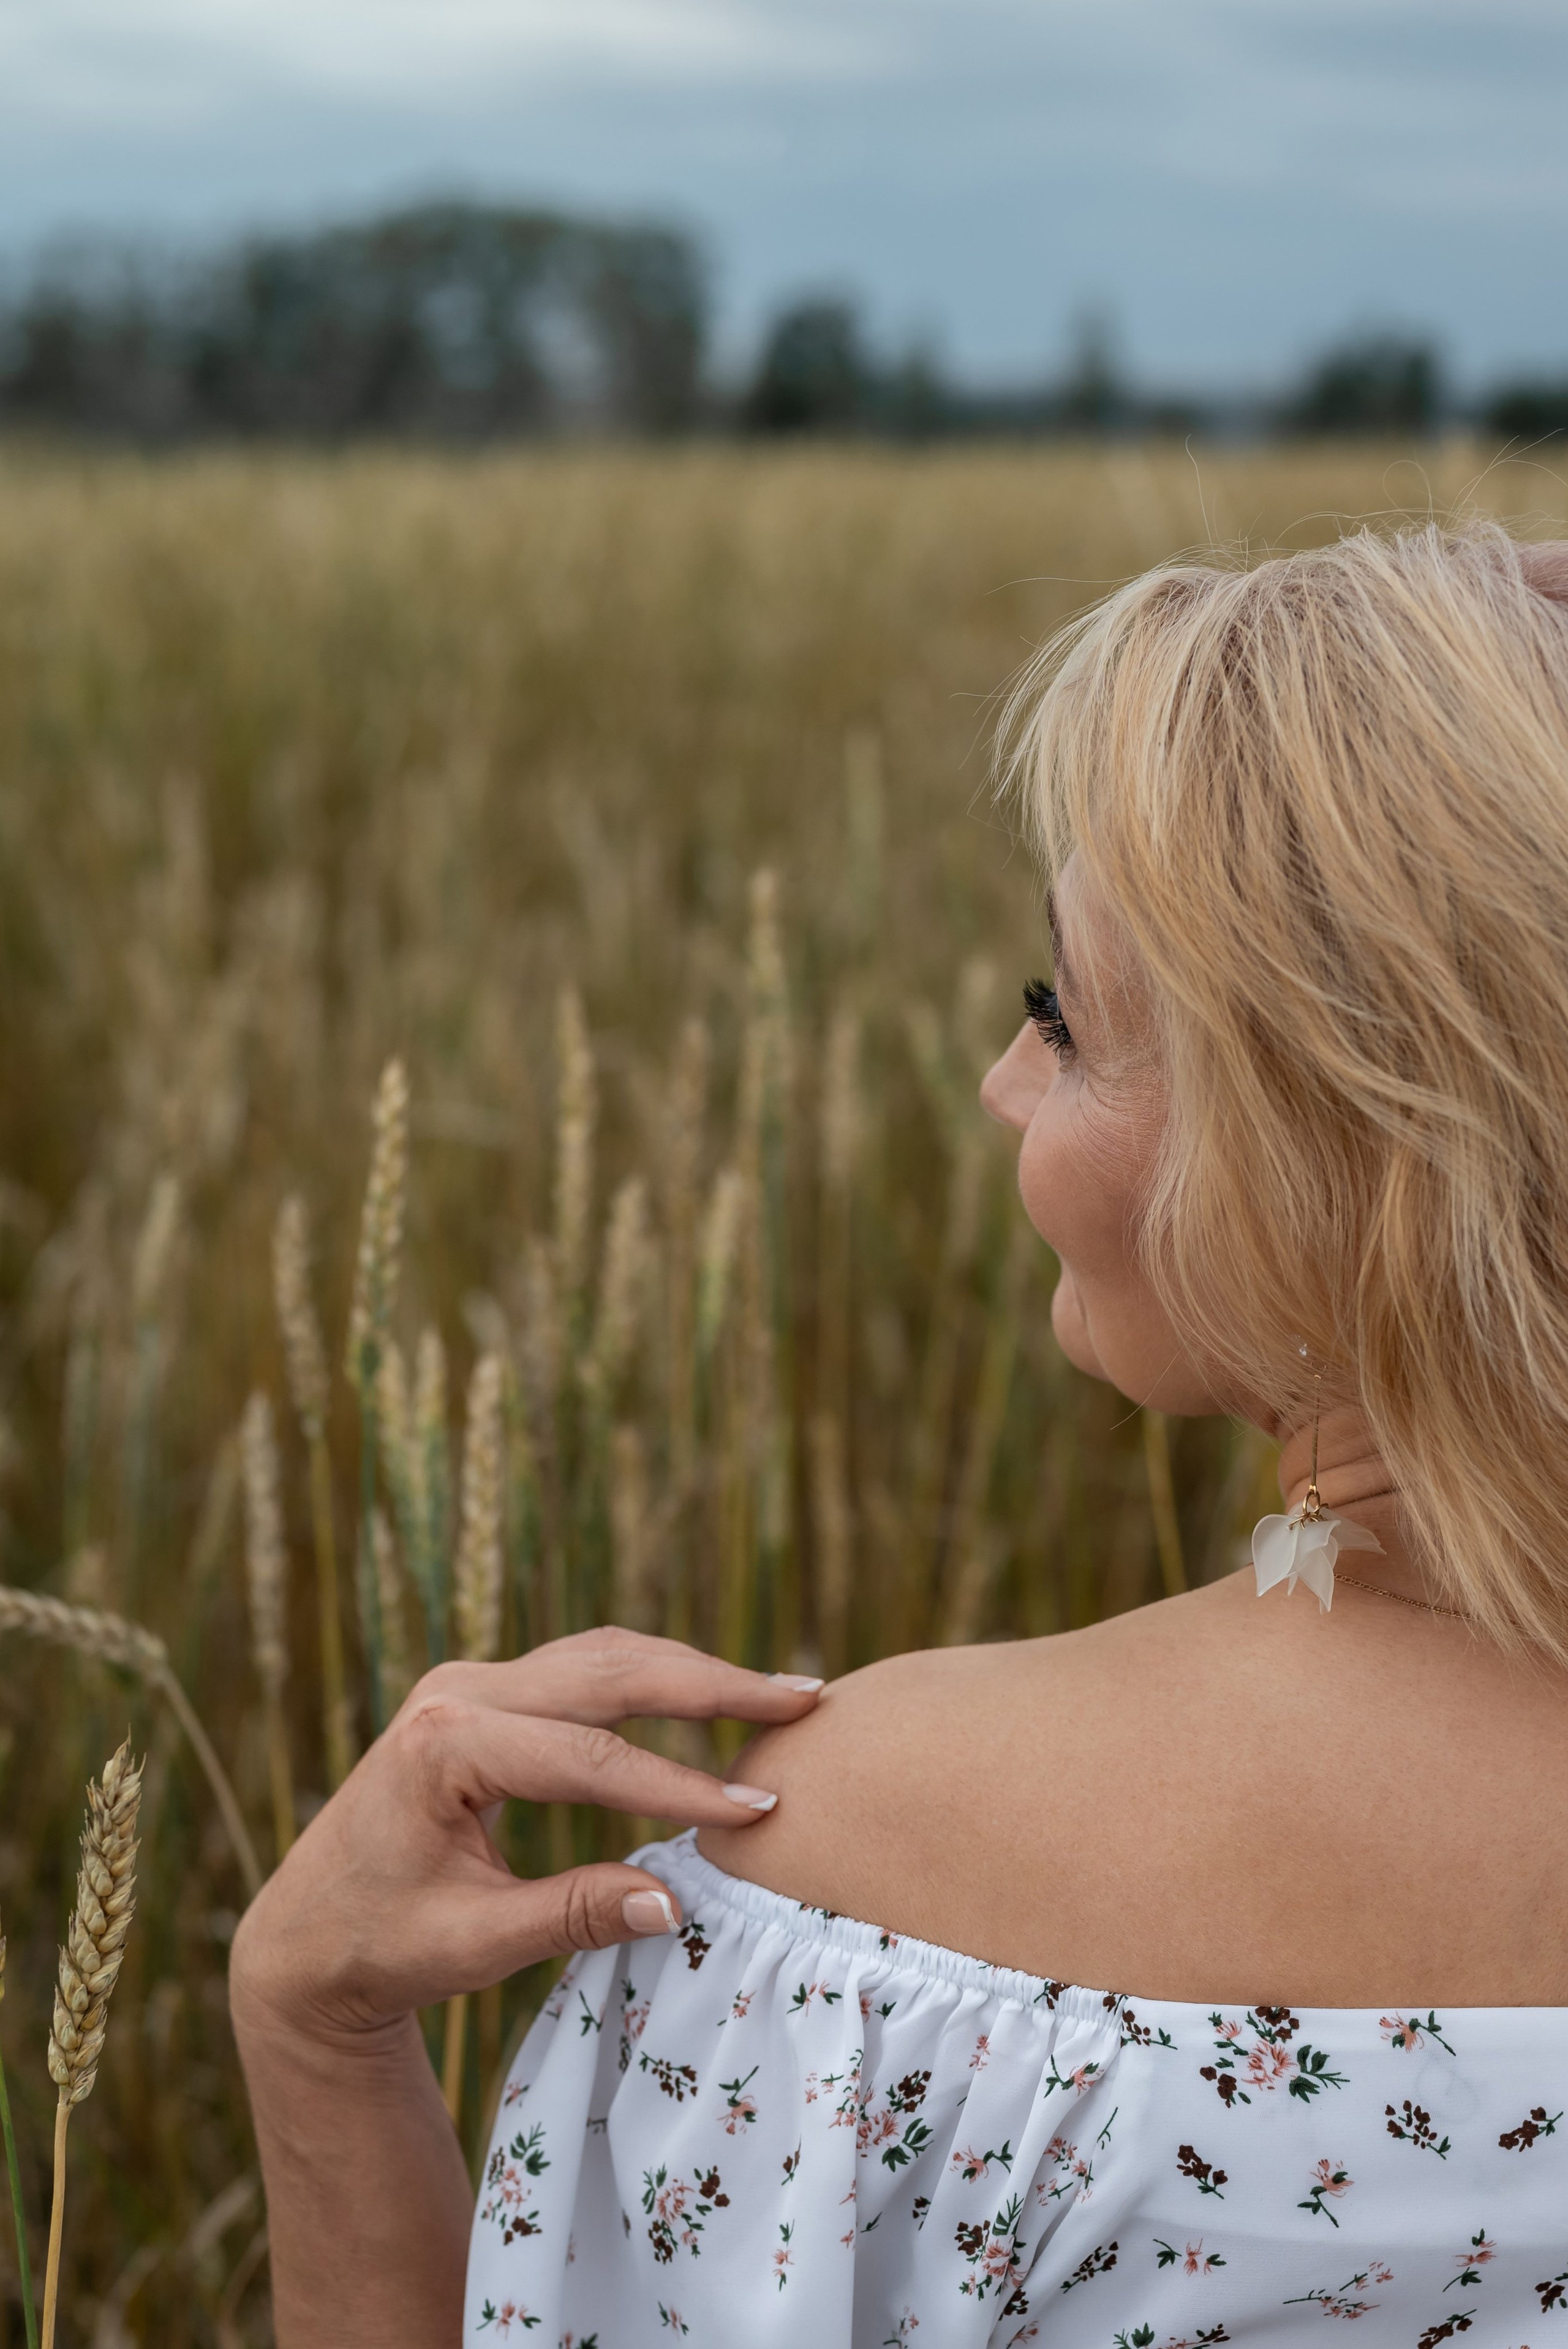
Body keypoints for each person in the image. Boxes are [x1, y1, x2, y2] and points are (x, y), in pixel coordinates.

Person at [232, 523, 1568, 2345]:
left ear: (1335, 1137)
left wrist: (313, 2032)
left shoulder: (852, 1905)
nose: (1006, 1078)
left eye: (1067, 1018)